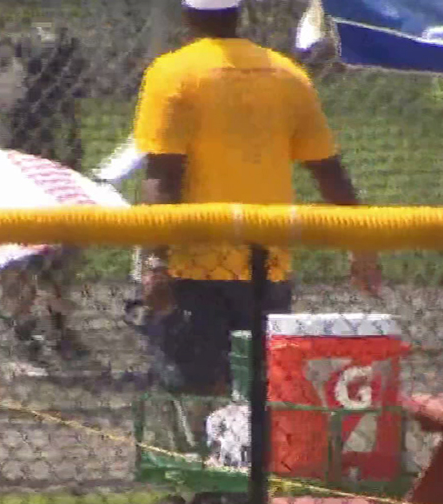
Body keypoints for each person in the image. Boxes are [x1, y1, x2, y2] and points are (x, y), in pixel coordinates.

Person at [133, 0, 378, 399]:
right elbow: (328, 170)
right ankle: (249, 454)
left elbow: (164, 176)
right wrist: (361, 244)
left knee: (198, 390)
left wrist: (155, 261)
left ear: (187, 16)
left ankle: (210, 453)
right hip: (268, 262)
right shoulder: (287, 74)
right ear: (239, 13)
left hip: (194, 263)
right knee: (259, 392)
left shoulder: (172, 73)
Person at [0, 23, 92, 366]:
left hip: (55, 180)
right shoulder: (8, 96)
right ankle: (25, 326)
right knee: (19, 254)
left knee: (63, 252)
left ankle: (58, 323)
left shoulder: (61, 94)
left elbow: (71, 140)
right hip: (12, 181)